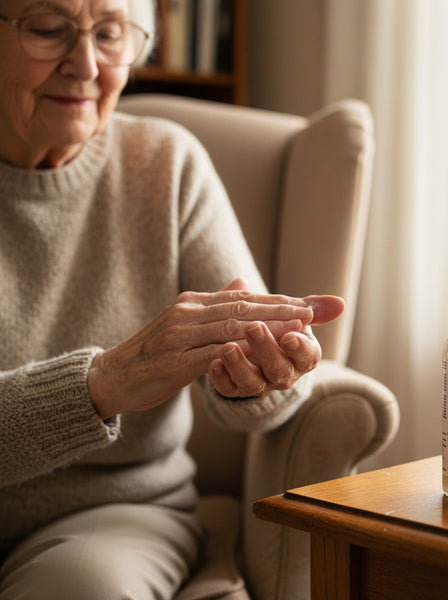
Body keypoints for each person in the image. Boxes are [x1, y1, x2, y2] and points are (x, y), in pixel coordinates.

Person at [0, 1, 345, 598]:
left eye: (110, 35)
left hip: (110, 512)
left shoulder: (165, 163)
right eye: (49, 30)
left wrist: (261, 373)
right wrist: (103, 382)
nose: (85, 65)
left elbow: (252, 372)